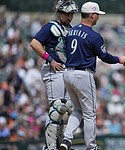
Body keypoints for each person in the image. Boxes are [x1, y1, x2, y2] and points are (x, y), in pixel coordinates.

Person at [59, 2, 125, 150]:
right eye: (97, 14)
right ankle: (91, 147)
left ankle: (66, 139)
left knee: (77, 110)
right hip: (83, 75)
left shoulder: (70, 32)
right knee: (89, 114)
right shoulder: (94, 35)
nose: (98, 17)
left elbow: (65, 51)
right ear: (92, 15)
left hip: (68, 73)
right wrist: (119, 59)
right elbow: (105, 57)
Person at [29, 0, 78, 149]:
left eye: (71, 14)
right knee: (56, 108)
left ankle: (61, 144)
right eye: (67, 14)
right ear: (60, 13)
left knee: (67, 110)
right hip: (54, 70)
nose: (70, 17)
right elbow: (35, 43)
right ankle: (49, 146)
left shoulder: (70, 29)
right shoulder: (51, 27)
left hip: (66, 70)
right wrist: (50, 60)